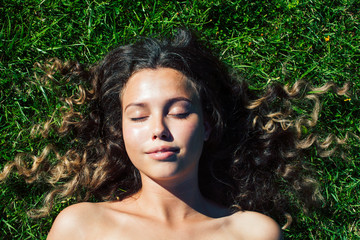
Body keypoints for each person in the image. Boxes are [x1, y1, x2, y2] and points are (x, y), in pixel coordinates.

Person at [1, 29, 349, 239]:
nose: (158, 130)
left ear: (208, 124)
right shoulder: (81, 227)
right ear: (120, 131)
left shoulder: (253, 233)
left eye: (179, 112)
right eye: (138, 117)